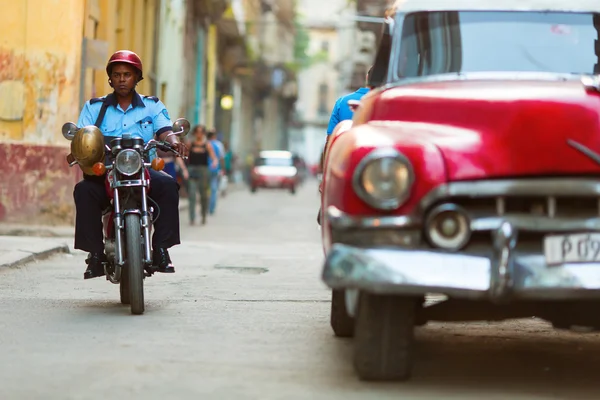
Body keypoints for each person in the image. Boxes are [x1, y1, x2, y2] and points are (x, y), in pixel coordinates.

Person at [74, 50, 188, 280]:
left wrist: (175, 142)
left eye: (127, 74)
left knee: (168, 186)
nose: (122, 79)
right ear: (110, 78)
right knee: (83, 191)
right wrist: (76, 150)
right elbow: (81, 136)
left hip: (142, 167)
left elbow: (165, 130)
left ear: (137, 77)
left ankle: (161, 249)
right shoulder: (93, 107)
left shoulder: (152, 105)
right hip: (106, 170)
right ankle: (95, 254)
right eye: (117, 74)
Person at [179, 125, 218, 225]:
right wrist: (184, 168)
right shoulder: (191, 144)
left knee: (203, 195)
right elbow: (183, 155)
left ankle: (203, 215)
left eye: (201, 132)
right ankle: (192, 218)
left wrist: (214, 163)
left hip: (203, 171)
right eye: (197, 132)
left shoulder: (207, 145)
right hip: (192, 170)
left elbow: (214, 158)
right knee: (192, 194)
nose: (199, 134)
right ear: (195, 133)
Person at [207, 129, 224, 215]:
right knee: (214, 189)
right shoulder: (219, 145)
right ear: (214, 136)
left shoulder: (205, 144)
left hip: (205, 169)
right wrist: (222, 169)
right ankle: (211, 208)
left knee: (206, 188)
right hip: (215, 169)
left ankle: (205, 207)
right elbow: (221, 158)